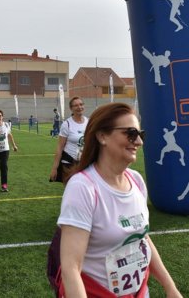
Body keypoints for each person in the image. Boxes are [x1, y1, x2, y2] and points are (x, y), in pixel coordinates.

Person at [57, 103, 182, 297]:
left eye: (141, 134)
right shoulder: (83, 187)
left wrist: (170, 287)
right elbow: (71, 268)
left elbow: (142, 239)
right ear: (102, 136)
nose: (139, 141)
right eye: (130, 133)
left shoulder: (137, 181)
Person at [49, 97, 89, 183]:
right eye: (76, 105)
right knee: (71, 190)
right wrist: (54, 168)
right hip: (69, 163)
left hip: (85, 162)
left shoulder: (89, 122)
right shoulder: (67, 124)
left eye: (81, 104)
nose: (79, 107)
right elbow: (60, 147)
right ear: (71, 108)